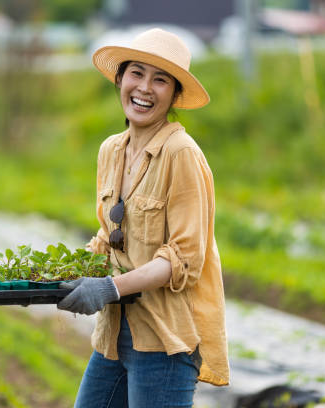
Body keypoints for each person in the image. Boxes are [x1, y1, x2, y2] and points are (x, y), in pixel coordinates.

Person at [57, 28, 229, 407]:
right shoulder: (111, 150)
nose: (145, 88)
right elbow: (108, 236)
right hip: (114, 336)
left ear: (174, 95)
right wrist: (54, 278)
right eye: (136, 73)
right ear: (120, 79)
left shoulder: (180, 153)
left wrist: (109, 289)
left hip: (164, 342)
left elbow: (184, 258)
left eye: (160, 79)